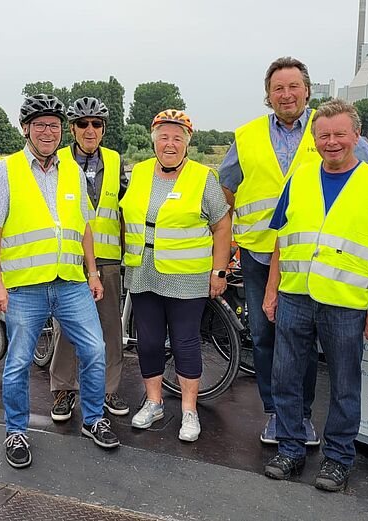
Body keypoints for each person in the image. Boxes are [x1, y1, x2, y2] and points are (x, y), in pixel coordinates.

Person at [218, 56, 368, 446]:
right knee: (263, 337)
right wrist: (224, 249)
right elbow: (225, 191)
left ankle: (303, 415)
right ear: (268, 96)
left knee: (304, 340)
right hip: (262, 256)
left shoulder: (330, 129)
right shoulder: (247, 136)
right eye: (278, 88)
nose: (287, 94)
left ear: (307, 90)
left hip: (319, 261)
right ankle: (276, 413)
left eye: (294, 86)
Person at [261, 99, 368, 491]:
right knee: (285, 376)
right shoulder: (300, 177)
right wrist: (271, 291)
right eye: (324, 135)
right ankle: (290, 448)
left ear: (356, 136)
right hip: (295, 296)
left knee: (343, 383)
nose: (332, 142)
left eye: (340, 134)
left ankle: (338, 458)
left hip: (344, 303)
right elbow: (281, 241)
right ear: (314, 138)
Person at [0, 94, 120, 469]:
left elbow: (84, 226)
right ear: (26, 129)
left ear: (62, 131)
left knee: (94, 350)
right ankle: (16, 431)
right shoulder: (6, 170)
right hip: (25, 286)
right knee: (19, 362)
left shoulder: (71, 169)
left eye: (53, 126)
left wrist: (92, 272)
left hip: (71, 282)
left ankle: (92, 419)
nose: (47, 132)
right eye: (39, 125)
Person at [120, 110, 232, 443]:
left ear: (187, 143)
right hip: (143, 272)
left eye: (177, 138)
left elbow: (222, 225)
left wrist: (219, 270)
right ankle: (153, 402)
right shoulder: (139, 172)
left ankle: (188, 410)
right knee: (150, 342)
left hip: (186, 276)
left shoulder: (202, 177)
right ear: (154, 141)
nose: (170, 144)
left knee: (185, 343)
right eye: (164, 137)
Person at [49, 97, 130, 422]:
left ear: (104, 129)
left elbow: (126, 210)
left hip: (108, 260)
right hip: (68, 259)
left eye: (96, 124)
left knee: (110, 328)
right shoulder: (56, 162)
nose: (90, 130)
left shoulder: (114, 160)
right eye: (83, 124)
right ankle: (64, 390)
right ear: (72, 128)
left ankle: (108, 389)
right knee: (66, 329)